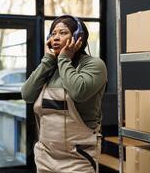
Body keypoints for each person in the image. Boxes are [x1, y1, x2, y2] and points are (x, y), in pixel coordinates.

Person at [21, 15, 107, 173]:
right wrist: (48, 60)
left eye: (62, 33)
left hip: (78, 158)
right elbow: (27, 94)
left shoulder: (94, 65)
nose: (56, 37)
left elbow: (78, 91)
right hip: (45, 157)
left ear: (77, 37)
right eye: (53, 34)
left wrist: (64, 59)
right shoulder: (49, 67)